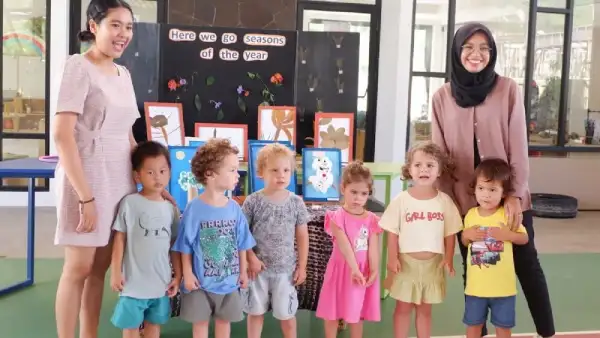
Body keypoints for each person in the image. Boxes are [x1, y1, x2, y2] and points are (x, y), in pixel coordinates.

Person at [51, 2, 173, 338]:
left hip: (120, 180)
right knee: (78, 267)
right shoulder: (78, 66)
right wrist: (85, 197)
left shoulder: (124, 74)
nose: (123, 34)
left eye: (129, 27)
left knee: (100, 270)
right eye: (115, 25)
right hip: (85, 177)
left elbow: (128, 137)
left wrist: (154, 186)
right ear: (94, 25)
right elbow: (62, 135)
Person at [431, 22, 555, 337]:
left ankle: (547, 333)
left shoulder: (508, 89)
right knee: (473, 269)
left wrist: (514, 194)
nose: (477, 54)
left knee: (527, 266)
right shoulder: (442, 98)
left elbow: (518, 146)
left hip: (508, 197)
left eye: (484, 47)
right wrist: (446, 203)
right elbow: (440, 153)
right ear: (457, 52)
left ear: (493, 52)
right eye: (469, 47)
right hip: (464, 201)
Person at [172, 138, 256, 338]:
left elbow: (242, 243)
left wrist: (243, 271)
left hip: (229, 281)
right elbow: (185, 245)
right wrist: (187, 274)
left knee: (224, 323)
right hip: (200, 283)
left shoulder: (234, 208)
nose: (237, 175)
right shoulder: (194, 208)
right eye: (232, 170)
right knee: (200, 324)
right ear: (210, 173)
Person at [379, 142, 462, 338]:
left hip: (432, 266)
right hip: (405, 265)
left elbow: (450, 233)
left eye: (430, 165)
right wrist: (392, 258)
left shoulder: (445, 202)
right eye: (417, 165)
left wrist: (449, 258)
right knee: (403, 308)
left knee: (425, 311)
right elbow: (392, 232)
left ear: (440, 170)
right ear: (409, 169)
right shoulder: (401, 200)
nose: (423, 169)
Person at [108, 141, 181, 338]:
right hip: (133, 284)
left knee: (154, 325)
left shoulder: (170, 209)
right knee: (130, 327)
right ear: (137, 175)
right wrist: (115, 272)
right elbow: (119, 239)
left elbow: (174, 246)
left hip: (160, 283)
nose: (158, 177)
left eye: (163, 171)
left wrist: (178, 275)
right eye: (150, 172)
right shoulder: (130, 203)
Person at [241, 143, 310, 338]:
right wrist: (250, 258)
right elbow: (242, 233)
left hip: (285, 271)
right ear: (261, 171)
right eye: (274, 170)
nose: (281, 175)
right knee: (255, 313)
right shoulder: (253, 201)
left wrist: (302, 266)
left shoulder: (296, 202)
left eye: (286, 170)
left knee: (287, 315)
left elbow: (302, 236)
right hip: (257, 270)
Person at [462, 158, 529, 338]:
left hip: (503, 289)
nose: (486, 195)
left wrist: (508, 236)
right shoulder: (470, 215)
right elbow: (464, 240)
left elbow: (524, 238)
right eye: (481, 188)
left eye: (492, 190)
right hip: (476, 288)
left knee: (503, 328)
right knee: (473, 326)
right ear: (474, 189)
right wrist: (467, 235)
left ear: (504, 192)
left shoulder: (506, 215)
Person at [316, 161, 382, 338]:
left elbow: (373, 247)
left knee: (356, 312)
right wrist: (354, 269)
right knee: (332, 310)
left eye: (363, 194)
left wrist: (374, 269)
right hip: (341, 270)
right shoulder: (337, 217)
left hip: (361, 271)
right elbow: (344, 245)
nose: (357, 198)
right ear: (343, 188)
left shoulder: (372, 219)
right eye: (353, 192)